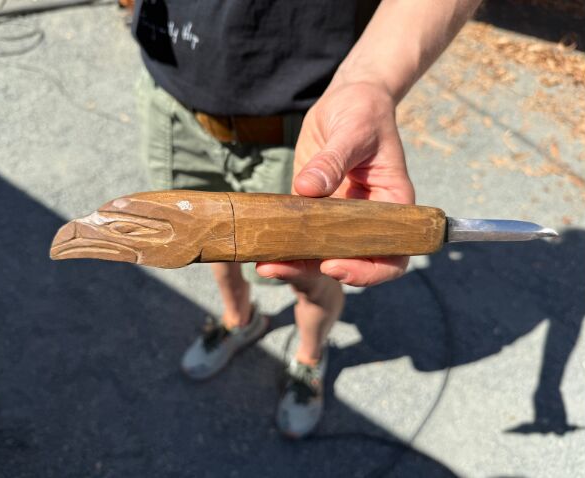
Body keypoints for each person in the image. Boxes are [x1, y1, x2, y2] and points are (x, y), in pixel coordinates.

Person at [131, 0, 483, 437]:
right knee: (204, 241)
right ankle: (239, 320)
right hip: (170, 96)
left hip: (299, 125)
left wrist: (370, 83)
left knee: (312, 275)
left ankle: (311, 358)